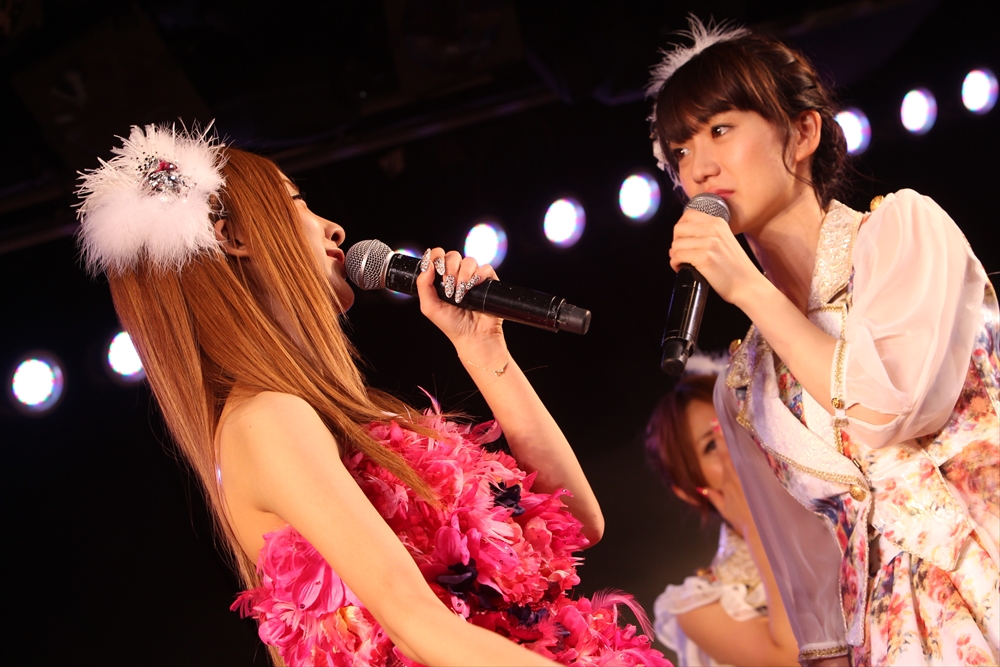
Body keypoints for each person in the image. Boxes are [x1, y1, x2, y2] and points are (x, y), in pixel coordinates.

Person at [75, 125, 668, 667]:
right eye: (296, 204)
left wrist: (484, 349)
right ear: (234, 237)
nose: (333, 227)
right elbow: (415, 624)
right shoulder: (266, 419)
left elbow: (576, 522)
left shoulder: (341, 416)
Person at [646, 17, 998, 667]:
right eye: (680, 150)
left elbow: (886, 411)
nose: (699, 167)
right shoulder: (744, 384)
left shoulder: (901, 237)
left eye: (720, 130)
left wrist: (749, 289)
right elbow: (810, 590)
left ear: (803, 132)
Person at [644, 371, 797, 667]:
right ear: (690, 490)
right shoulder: (698, 607)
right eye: (712, 445)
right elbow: (794, 656)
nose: (735, 446)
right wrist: (756, 528)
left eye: (737, 422)